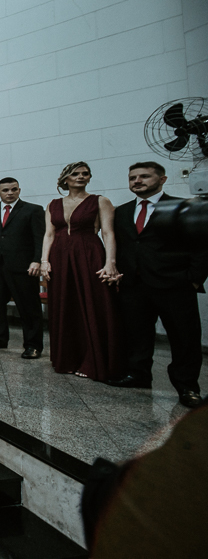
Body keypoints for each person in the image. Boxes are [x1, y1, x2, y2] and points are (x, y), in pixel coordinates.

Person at [108, 161, 207, 407]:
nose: (137, 181)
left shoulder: (181, 207)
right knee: (137, 334)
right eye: (133, 177)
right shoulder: (121, 212)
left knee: (184, 338)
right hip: (134, 285)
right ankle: (138, 374)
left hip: (174, 285)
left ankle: (187, 386)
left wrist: (193, 280)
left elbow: (202, 247)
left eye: (144, 176)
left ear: (162, 179)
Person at [40, 162, 124, 381]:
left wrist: (110, 262)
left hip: (88, 252)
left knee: (93, 303)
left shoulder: (100, 201)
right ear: (65, 179)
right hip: (59, 256)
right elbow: (48, 234)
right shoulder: (53, 204)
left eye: (85, 174)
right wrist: (44, 261)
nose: (81, 177)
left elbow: (108, 232)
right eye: (75, 174)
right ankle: (67, 359)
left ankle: (93, 360)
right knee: (64, 304)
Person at [0, 177, 46, 359]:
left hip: (23, 267)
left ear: (19, 190)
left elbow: (40, 238)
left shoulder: (32, 210)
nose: (9, 193)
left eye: (13, 189)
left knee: (28, 307)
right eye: (5, 190)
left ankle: (33, 345)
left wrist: (37, 260)